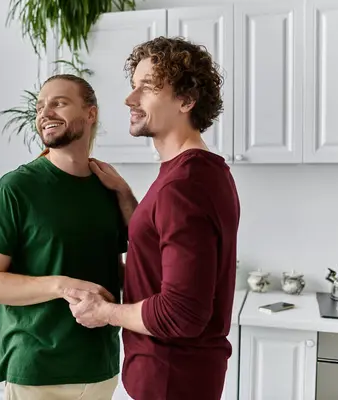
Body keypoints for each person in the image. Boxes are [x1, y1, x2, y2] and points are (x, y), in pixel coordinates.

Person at [64, 36, 241, 400]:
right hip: (178, 377)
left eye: (147, 88)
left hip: (169, 379)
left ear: (186, 101)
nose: (130, 100)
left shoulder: (184, 185)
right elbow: (162, 250)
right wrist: (130, 201)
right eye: (133, 87)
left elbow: (181, 313)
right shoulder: (198, 171)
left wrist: (104, 312)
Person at [0, 73, 127, 400]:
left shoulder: (108, 188)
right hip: (38, 370)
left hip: (101, 367)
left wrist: (126, 196)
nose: (45, 112)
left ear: (91, 113)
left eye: (59, 102)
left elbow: (118, 270)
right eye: (40, 106)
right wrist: (61, 285)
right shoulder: (15, 189)